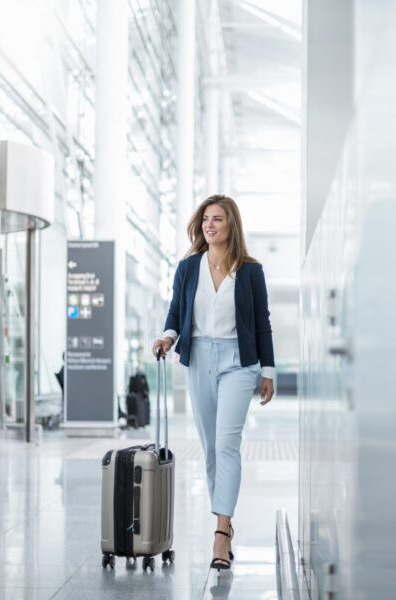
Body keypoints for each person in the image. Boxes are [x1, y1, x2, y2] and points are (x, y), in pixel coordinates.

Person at [152, 194, 275, 571]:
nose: (210, 225)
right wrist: (168, 335)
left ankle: (221, 532)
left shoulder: (250, 271)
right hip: (200, 357)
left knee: (226, 444)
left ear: (230, 225)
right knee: (209, 449)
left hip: (239, 363)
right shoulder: (189, 267)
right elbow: (177, 310)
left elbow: (262, 321)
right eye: (206, 218)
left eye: (218, 219)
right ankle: (224, 518)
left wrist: (267, 370)